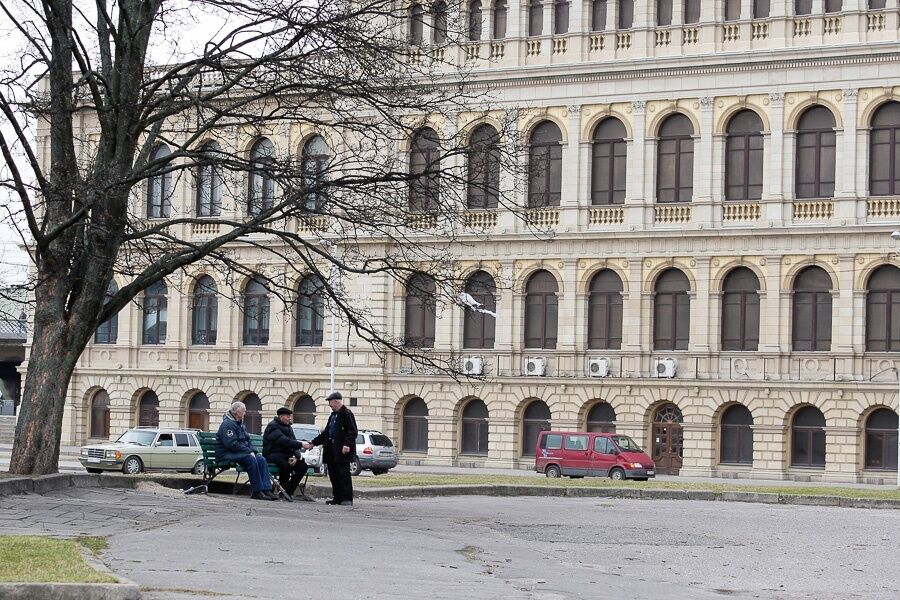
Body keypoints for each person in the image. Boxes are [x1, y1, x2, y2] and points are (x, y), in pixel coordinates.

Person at [303, 391, 358, 506]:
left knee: (343, 475)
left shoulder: (347, 414)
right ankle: (337, 498)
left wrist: (347, 444)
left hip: (342, 450)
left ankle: (347, 498)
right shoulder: (333, 416)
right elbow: (326, 433)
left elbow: (352, 431)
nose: (329, 405)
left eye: (330, 402)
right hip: (331, 450)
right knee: (333, 475)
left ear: (336, 401)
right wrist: (313, 443)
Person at [217, 401, 277, 501]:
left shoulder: (240, 424)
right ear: (237, 412)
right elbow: (231, 444)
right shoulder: (227, 424)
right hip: (226, 453)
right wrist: (248, 452)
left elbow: (248, 440)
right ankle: (256, 491)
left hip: (239, 452)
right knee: (251, 459)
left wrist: (254, 451)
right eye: (243, 411)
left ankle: (266, 489)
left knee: (261, 459)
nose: (245, 413)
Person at [263, 407, 310, 502]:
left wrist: (296, 456)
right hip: (272, 454)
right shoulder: (273, 426)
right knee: (286, 465)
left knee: (303, 466)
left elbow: (293, 442)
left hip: (285, 455)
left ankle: (288, 491)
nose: (290, 418)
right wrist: (301, 444)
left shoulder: (288, 427)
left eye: (290, 416)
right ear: (281, 416)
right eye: (288, 416)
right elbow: (283, 441)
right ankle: (283, 490)